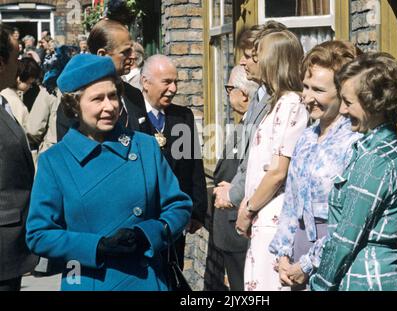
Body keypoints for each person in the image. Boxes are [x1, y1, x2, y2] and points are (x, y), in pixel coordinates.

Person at [26, 54, 193, 291]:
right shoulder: (55, 161)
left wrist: (149, 234)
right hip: (87, 281)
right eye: (97, 99)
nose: (110, 106)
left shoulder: (145, 147)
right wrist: (97, 246)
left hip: (146, 279)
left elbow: (180, 207)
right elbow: (39, 234)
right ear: (75, 105)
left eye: (113, 96)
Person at [309, 52, 397, 291]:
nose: (343, 111)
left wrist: (319, 284)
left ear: (373, 103)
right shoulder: (372, 148)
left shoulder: (376, 159)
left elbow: (345, 238)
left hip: (365, 280)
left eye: (348, 102)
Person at [268, 41, 363, 289]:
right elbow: (291, 203)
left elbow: (350, 220)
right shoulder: (307, 137)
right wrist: (283, 254)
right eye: (305, 87)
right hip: (297, 249)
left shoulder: (355, 142)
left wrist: (309, 264)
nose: (307, 98)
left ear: (344, 92)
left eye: (318, 90)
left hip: (334, 255)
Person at [235, 29, 308, 291]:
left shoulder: (291, 104)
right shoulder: (277, 104)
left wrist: (249, 208)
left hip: (273, 218)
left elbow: (278, 171)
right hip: (263, 218)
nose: (251, 61)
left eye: (258, 55)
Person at [140, 54, 207, 269]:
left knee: (173, 270)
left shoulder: (183, 116)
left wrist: (197, 211)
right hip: (142, 218)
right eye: (167, 82)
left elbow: (193, 164)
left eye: (176, 81)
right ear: (145, 82)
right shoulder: (130, 116)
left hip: (174, 216)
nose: (174, 88)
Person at [213, 21, 287, 212]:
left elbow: (273, 168)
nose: (242, 62)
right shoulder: (261, 95)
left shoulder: (283, 100)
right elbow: (247, 162)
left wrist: (235, 196)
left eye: (249, 56)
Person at [56, 19, 153, 140]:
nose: (133, 56)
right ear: (102, 54)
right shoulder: (76, 101)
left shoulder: (134, 95)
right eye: (126, 51)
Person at [212, 65, 258, 290]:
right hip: (230, 229)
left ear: (244, 94)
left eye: (229, 88)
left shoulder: (254, 125)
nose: (228, 93)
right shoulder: (244, 123)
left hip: (239, 226)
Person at [0, 23, 38, 291]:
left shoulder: (5, 103)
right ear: (1, 64)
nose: (19, 64)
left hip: (12, 245)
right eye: (15, 58)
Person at [0, 56, 41, 128]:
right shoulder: (18, 105)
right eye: (29, 83)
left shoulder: (3, 90)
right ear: (19, 79)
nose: (30, 86)